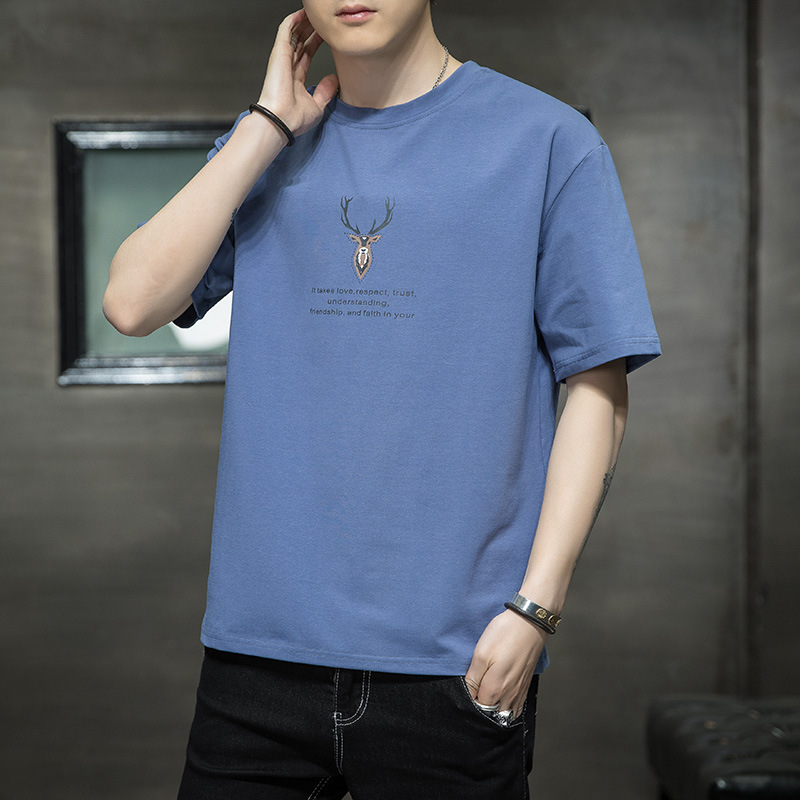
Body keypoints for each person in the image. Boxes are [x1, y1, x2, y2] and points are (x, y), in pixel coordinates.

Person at [104, 1, 661, 797]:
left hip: (455, 666)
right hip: (257, 660)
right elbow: (132, 303)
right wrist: (267, 124)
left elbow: (598, 389)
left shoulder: (547, 141)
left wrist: (535, 610)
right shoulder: (270, 143)